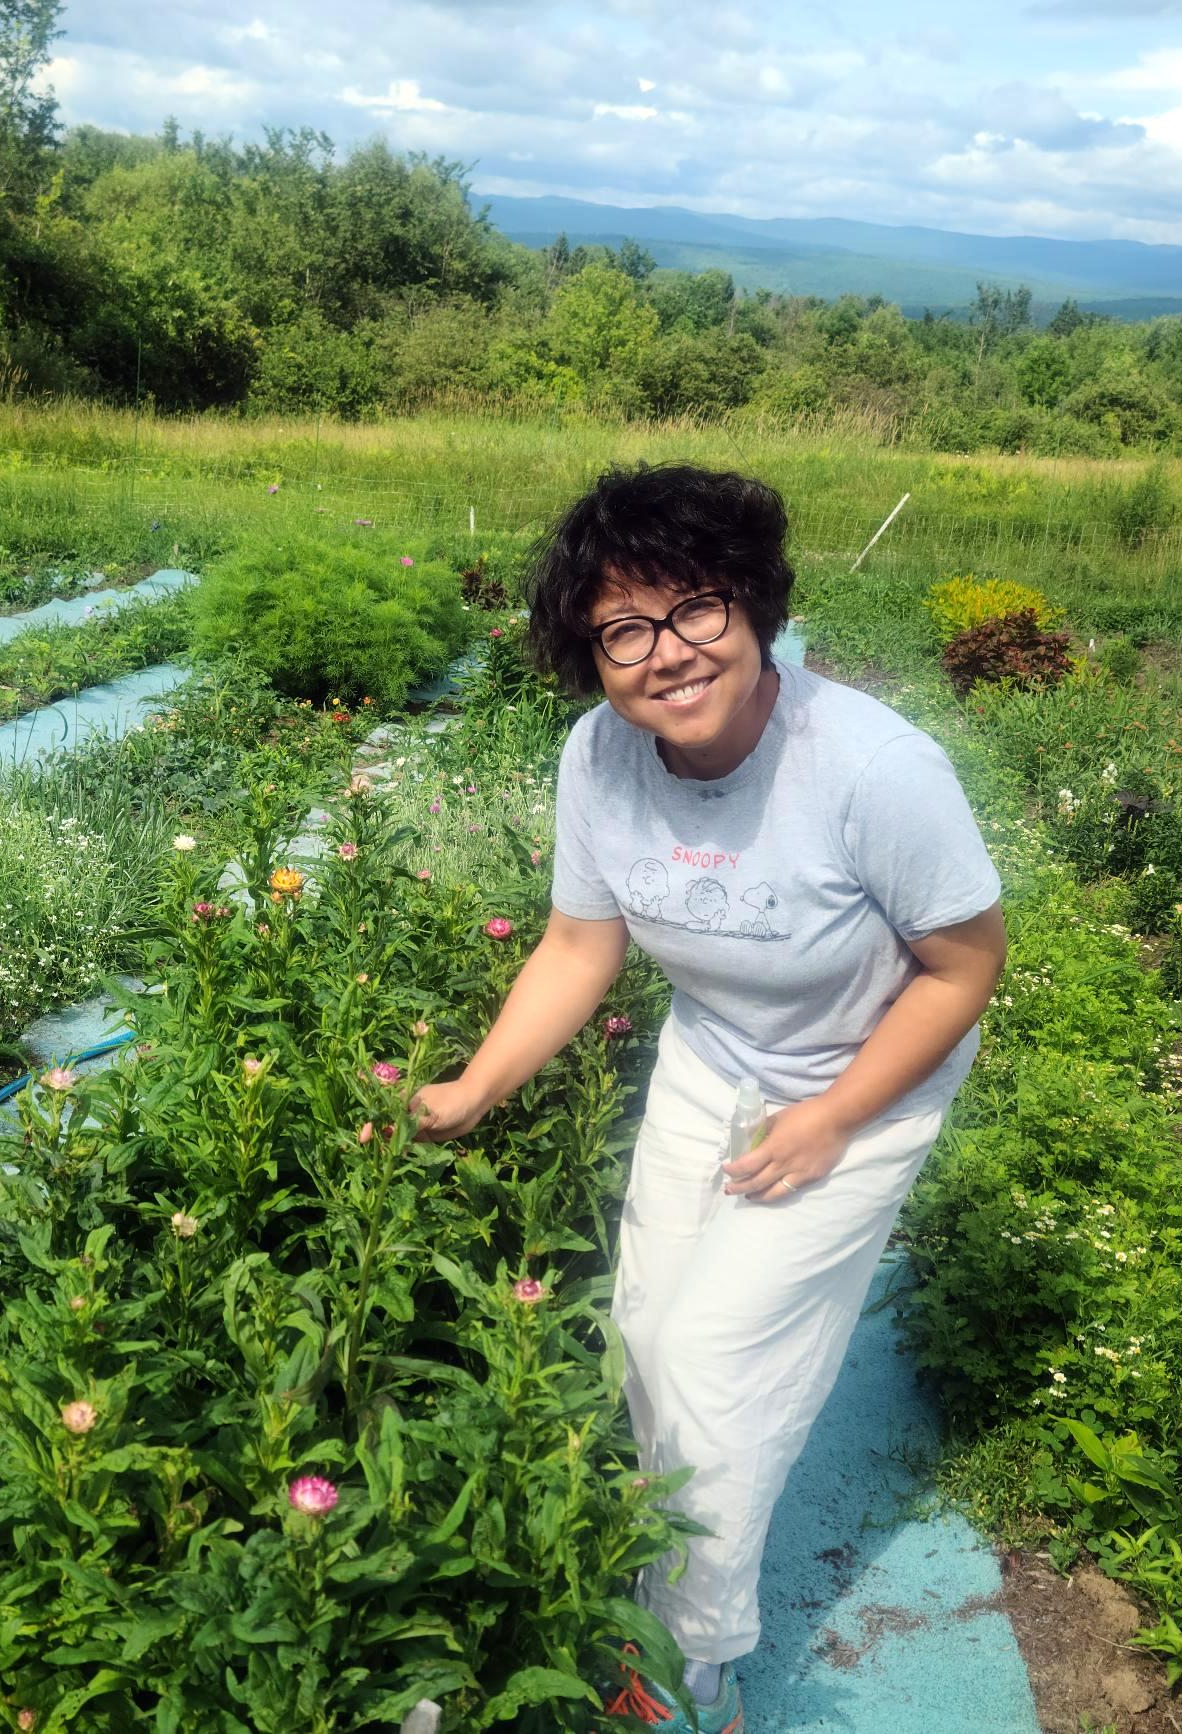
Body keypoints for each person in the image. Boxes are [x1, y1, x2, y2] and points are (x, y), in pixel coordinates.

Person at [412, 464, 1007, 1732]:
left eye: (692, 611)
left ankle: (688, 1669)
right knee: (641, 1331)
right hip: (714, 1056)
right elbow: (579, 946)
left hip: (864, 1082)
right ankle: (650, 1565)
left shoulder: (871, 769)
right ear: (591, 654)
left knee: (715, 1362)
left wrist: (833, 1117)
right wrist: (471, 1087)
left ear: (751, 604)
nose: (663, 655)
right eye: (622, 629)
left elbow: (963, 971)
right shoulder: (599, 758)